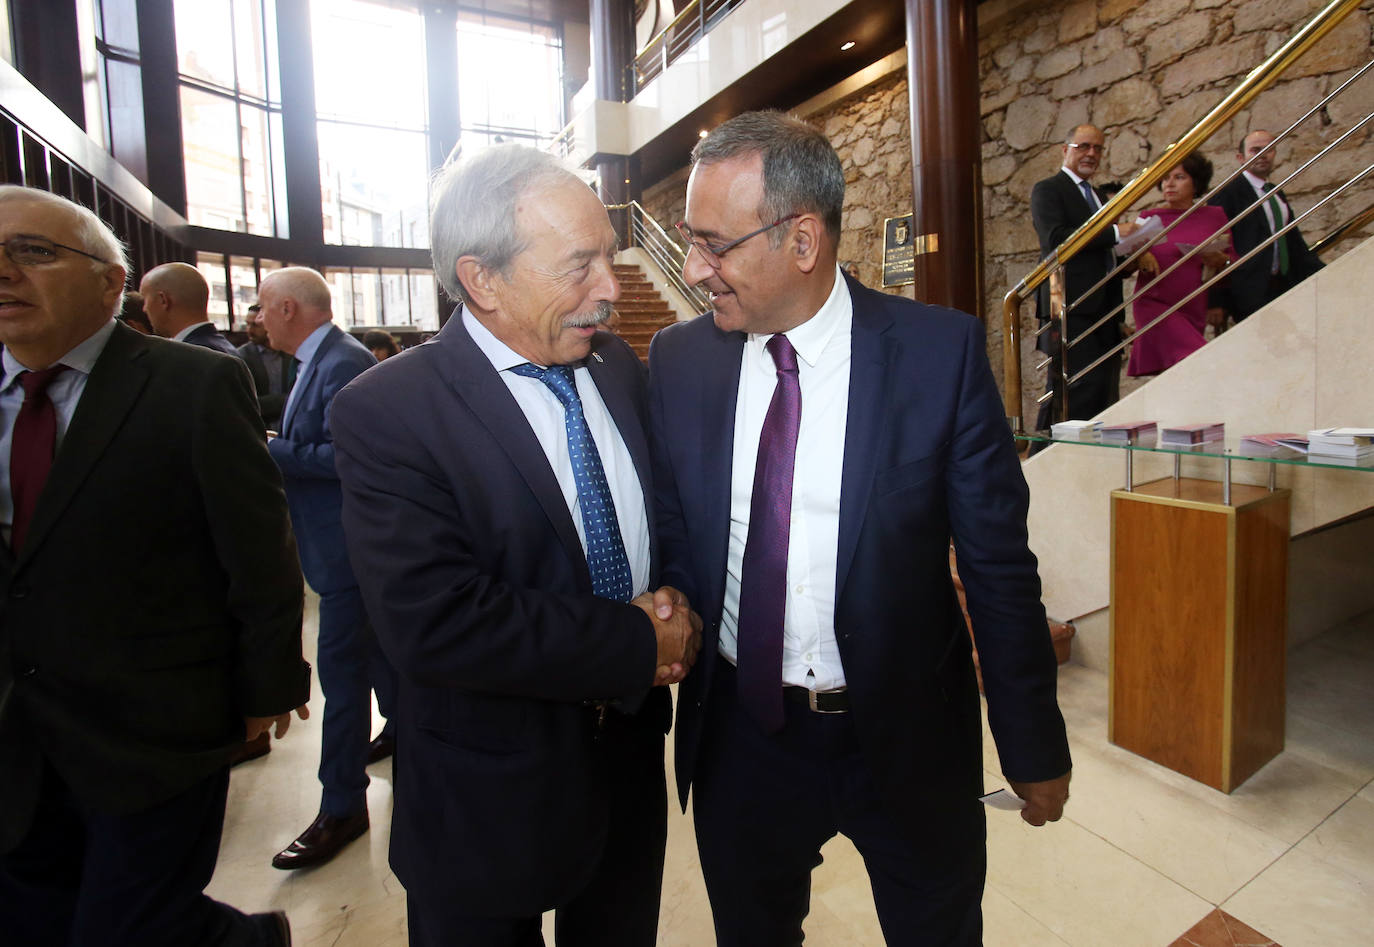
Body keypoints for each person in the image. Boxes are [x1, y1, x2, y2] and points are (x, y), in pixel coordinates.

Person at [650, 111, 1071, 946]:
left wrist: (1032, 744)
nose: (695, 268)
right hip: (743, 735)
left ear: (802, 240)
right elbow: (672, 525)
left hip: (908, 732)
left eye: (713, 244)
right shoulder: (680, 360)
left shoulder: (936, 354)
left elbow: (996, 566)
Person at [329, 144, 701, 946]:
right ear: (482, 279)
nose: (609, 287)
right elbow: (437, 620)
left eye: (609, 255)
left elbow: (656, 515)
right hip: (485, 788)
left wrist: (674, 598)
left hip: (627, 763)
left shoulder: (615, 370)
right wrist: (638, 639)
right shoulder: (388, 411)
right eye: (580, 265)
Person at [0, 186, 309, 946]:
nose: (5, 272)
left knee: (130, 927)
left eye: (32, 251)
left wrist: (267, 686)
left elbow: (256, 545)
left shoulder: (192, 385)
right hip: (13, 732)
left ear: (113, 282)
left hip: (152, 728)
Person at [258, 266, 399, 871]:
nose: (257, 319)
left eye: (263, 308)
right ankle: (403, 732)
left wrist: (271, 448)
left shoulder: (340, 362)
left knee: (341, 682)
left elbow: (354, 458)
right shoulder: (320, 360)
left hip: (347, 553)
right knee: (374, 660)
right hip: (336, 548)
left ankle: (341, 804)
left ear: (290, 309)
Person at [1030, 124, 1139, 424]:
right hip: (1066, 301)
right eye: (1084, 146)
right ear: (1065, 150)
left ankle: (1088, 461)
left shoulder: (1098, 196)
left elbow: (1100, 251)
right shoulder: (1048, 190)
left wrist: (1127, 257)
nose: (1091, 153)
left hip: (1103, 305)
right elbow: (1055, 240)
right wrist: (1116, 232)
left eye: (1098, 148)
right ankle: (1043, 460)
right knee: (1071, 389)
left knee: (1103, 391)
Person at [1126, 152, 1235, 376]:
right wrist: (1139, 256)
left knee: (1181, 373)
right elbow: (1125, 263)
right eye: (1165, 178)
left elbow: (1231, 260)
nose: (1170, 184)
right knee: (1197, 360)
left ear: (1196, 182)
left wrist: (1219, 260)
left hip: (1193, 304)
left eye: (1179, 177)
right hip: (1154, 304)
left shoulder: (1213, 215)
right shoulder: (1148, 217)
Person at [1210, 129, 1324, 322]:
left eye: (1269, 149)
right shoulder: (1228, 192)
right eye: (1255, 150)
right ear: (1241, 157)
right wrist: (1215, 301)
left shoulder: (1276, 194)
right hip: (1248, 291)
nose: (1262, 155)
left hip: (1282, 285)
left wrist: (1324, 273)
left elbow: (1294, 243)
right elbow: (1214, 247)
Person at [140, 261, 239, 355]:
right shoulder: (227, 349)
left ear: (163, 300)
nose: (144, 309)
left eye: (145, 300)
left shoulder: (187, 356)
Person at [239, 303, 295, 430]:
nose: (249, 330)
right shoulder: (241, 357)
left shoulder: (290, 352)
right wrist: (288, 399)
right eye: (247, 324)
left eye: (255, 325)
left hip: (291, 428)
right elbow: (247, 403)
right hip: (261, 430)